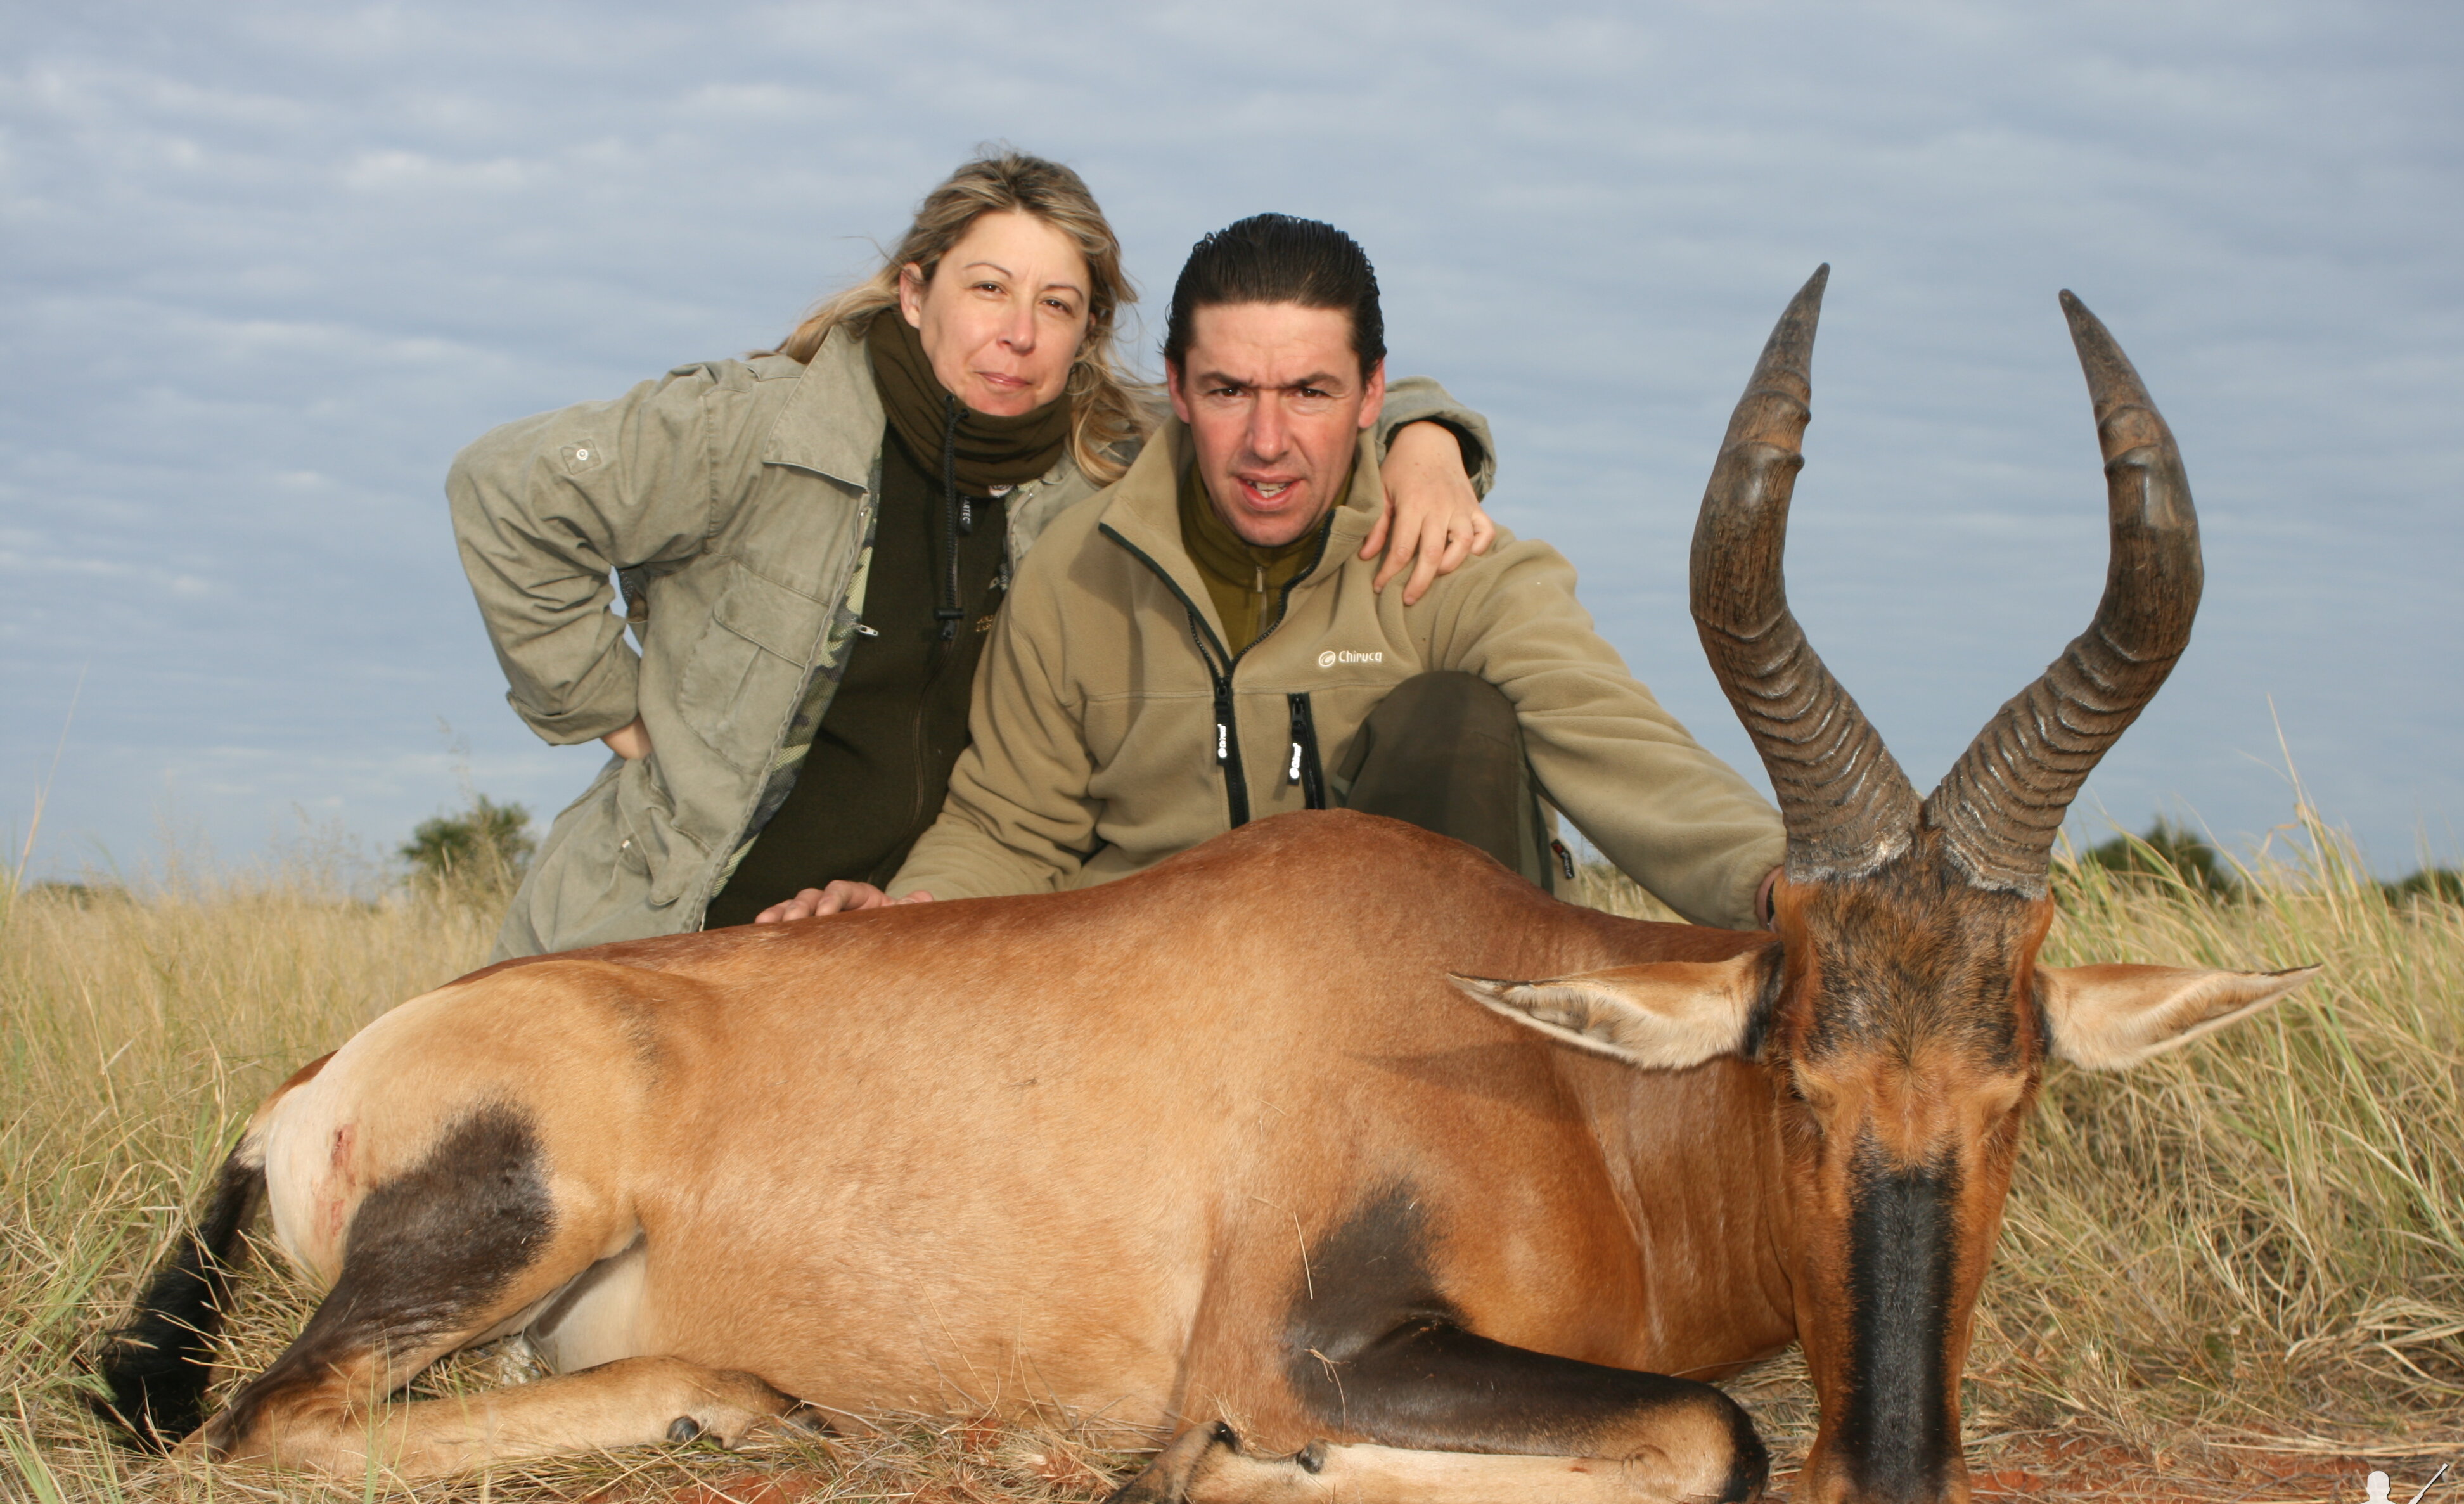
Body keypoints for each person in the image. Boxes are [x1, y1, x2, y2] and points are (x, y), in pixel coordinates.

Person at [451, 155, 1499, 959]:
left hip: (926, 935)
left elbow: (1273, 409)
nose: (1019, 333)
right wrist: (602, 705)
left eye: (1056, 305)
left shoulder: (1108, 469)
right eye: (989, 289)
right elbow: (506, 486)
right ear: (915, 292)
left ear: (1088, 329)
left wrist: (1425, 436)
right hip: (671, 923)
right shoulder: (757, 427)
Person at [761, 214, 1783, 932]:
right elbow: (1009, 827)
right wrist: (903, 920)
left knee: (1457, 721)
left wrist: (1783, 887)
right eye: (1229, 389)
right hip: (1153, 1006)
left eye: (1309, 391)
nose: (1266, 441)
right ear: (1178, 390)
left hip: (1402, 1006)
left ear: (1375, 392)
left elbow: (1620, 742)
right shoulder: (1076, 572)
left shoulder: (1448, 559)